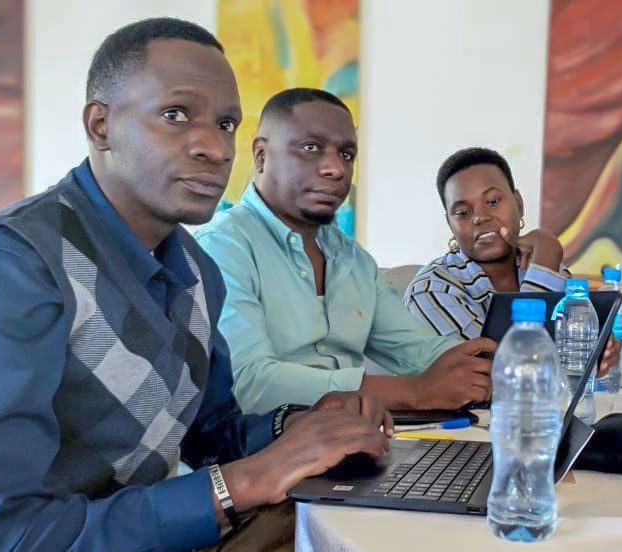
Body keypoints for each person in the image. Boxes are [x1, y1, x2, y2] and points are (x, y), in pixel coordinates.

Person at [0, 19, 393, 552]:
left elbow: (209, 434)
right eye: (175, 115)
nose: (214, 147)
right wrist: (241, 482)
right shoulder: (12, 267)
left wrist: (298, 424)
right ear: (101, 125)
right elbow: (3, 543)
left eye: (227, 123)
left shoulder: (195, 270)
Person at [195, 88, 496, 416]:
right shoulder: (222, 246)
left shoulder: (355, 261)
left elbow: (420, 351)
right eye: (311, 148)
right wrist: (416, 391)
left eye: (347, 155)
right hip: (257, 456)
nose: (335, 169)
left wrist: (501, 367)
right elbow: (250, 383)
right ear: (261, 155)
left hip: (351, 444)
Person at [404, 147, 619, 376]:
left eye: (493, 201)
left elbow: (572, 360)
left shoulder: (539, 268)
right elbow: (506, 372)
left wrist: (600, 355)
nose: (480, 217)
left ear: (518, 204)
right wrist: (548, 253)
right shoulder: (431, 291)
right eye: (463, 213)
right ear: (450, 224)